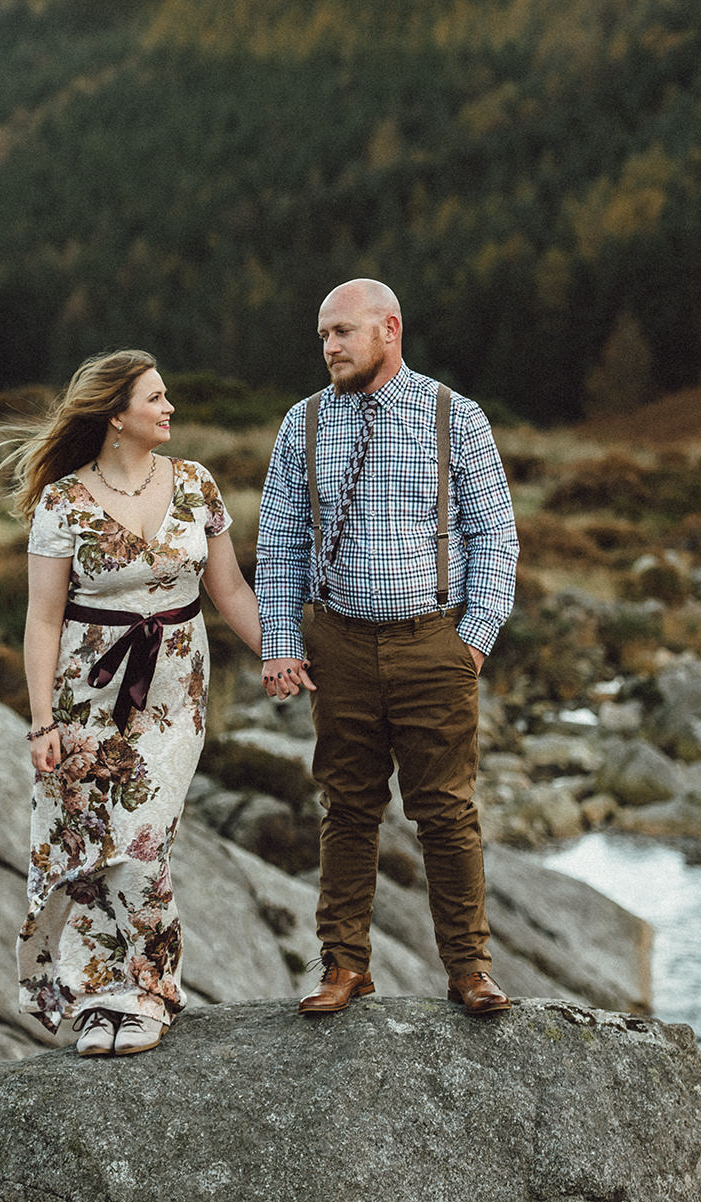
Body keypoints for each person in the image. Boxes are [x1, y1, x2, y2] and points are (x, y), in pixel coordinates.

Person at [254, 279, 520, 1017]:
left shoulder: (454, 417)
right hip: (337, 645)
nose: (330, 348)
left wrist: (473, 640)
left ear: (389, 329)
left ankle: (470, 970)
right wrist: (281, 641)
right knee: (348, 807)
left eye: (343, 332)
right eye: (323, 337)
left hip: (432, 643)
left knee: (446, 812)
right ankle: (344, 965)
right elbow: (279, 543)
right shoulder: (302, 423)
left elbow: (495, 535)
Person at [0, 349, 263, 1057]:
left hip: (176, 690)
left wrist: (283, 652)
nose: (169, 408)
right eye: (155, 398)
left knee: (141, 844)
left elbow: (230, 589)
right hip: (88, 694)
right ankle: (97, 999)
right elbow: (43, 620)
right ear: (117, 415)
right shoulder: (63, 502)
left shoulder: (197, 485)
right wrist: (42, 720)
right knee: (87, 850)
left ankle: (149, 989)